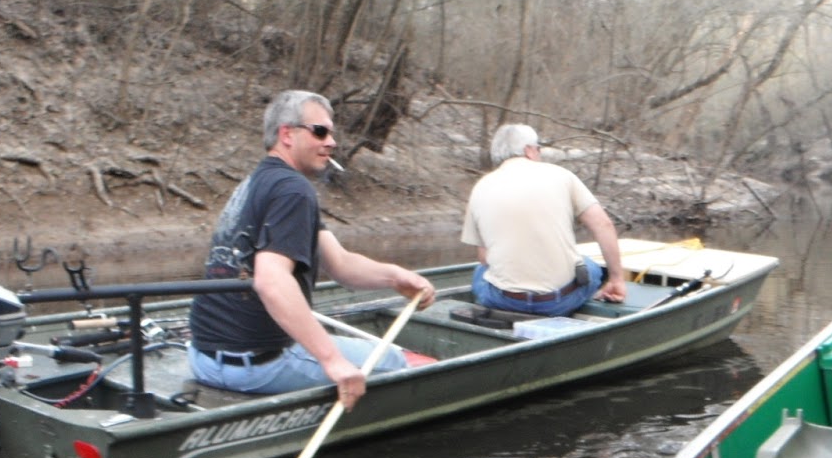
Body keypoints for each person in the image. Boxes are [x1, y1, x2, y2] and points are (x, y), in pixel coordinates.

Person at [187, 90, 435, 410]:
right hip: (258, 366)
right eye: (320, 131)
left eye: (331, 132)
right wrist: (333, 361)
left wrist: (396, 277)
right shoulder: (293, 190)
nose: (331, 141)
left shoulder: (257, 184)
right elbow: (271, 280)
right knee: (392, 359)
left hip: (203, 360)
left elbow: (341, 264)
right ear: (287, 134)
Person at [460, 123, 627, 317]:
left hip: (504, 301)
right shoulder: (562, 175)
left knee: (480, 272)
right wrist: (617, 279)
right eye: (539, 149)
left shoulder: (481, 187)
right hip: (557, 303)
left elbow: (484, 258)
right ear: (529, 150)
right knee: (590, 267)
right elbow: (603, 224)